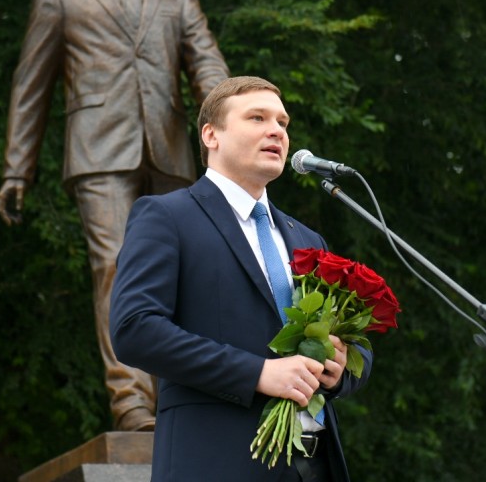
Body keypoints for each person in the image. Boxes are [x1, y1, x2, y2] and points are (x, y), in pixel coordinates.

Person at [0, 0, 229, 432]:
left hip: (172, 146)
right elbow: (32, 83)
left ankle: (185, 399)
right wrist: (16, 168)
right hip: (99, 152)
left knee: (189, 273)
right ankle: (132, 403)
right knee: (116, 268)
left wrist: (235, 126)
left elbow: (208, 67)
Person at [110, 76, 373, 481]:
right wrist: (257, 373)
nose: (277, 131)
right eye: (257, 118)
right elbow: (135, 329)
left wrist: (341, 370)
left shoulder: (306, 238)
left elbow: (353, 345)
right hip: (218, 461)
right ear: (211, 135)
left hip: (317, 465)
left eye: (283, 123)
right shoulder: (166, 217)